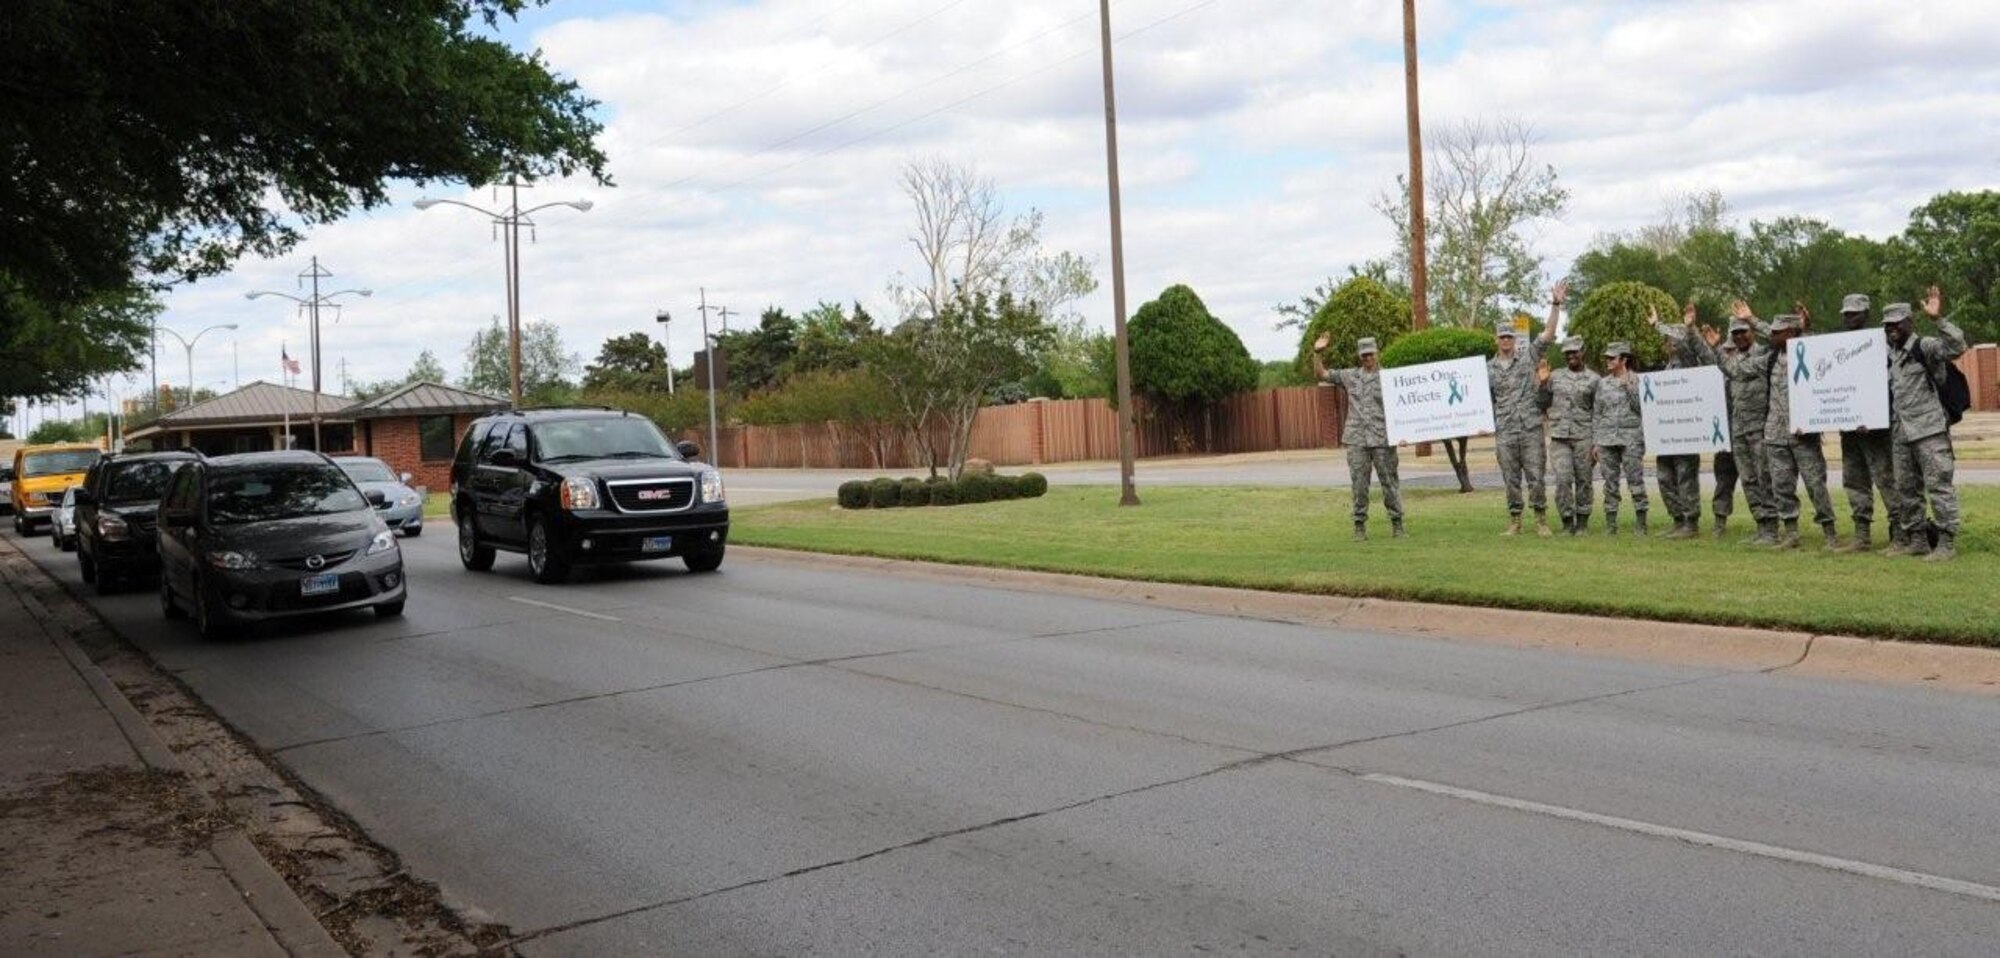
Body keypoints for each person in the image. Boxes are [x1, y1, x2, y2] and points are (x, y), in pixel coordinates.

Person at [1884, 288, 1968, 560]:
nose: (1892, 328)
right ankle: (1918, 539)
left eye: (1897, 322)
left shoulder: (1925, 346)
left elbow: (1957, 346)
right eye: (1887, 324)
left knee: (1939, 486)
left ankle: (1945, 544)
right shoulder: (1892, 355)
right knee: (1906, 489)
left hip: (1929, 430)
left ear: (1910, 322)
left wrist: (1938, 318)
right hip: (1901, 432)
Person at [1489, 281, 1563, 537]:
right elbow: (1481, 402)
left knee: (1536, 476)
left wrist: (1555, 304)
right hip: (1506, 432)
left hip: (1530, 428)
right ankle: (1515, 521)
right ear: (1496, 340)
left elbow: (1549, 333)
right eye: (1502, 337)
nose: (1506, 340)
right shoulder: (1488, 370)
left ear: (1515, 339)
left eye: (1510, 336)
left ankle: (1541, 520)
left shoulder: (1529, 357)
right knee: (1511, 479)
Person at [1314, 333, 1403, 540]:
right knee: (1359, 484)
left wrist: (1405, 432)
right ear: (1359, 356)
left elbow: (1404, 406)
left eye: (1370, 354)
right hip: (1357, 439)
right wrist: (1317, 353)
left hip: (1383, 438)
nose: (1367, 359)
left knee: (1389, 483)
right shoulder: (1350, 376)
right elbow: (1322, 374)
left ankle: (1397, 523)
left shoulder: (1391, 378)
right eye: (1364, 356)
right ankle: (1359, 526)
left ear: (1377, 354)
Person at [1763, 312, 1840, 549]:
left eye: (1778, 332)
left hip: (1803, 434)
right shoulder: (1771, 358)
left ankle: (1829, 533)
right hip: (1776, 433)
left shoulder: (1811, 352)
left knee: (1816, 485)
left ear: (1791, 333)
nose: (1772, 335)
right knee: (1781, 486)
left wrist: (1805, 328)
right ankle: (1791, 533)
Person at [1831, 293, 1898, 552]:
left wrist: (1874, 414)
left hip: (1877, 428)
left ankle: (1901, 532)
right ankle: (1862, 535)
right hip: (1849, 429)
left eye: (1855, 313)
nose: (1850, 317)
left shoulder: (1882, 342)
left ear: (1867, 314)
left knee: (1887, 479)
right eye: (1846, 313)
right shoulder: (1835, 345)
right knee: (1854, 479)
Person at [1706, 305, 1777, 544]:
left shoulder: (1765, 353)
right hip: (1738, 429)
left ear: (1753, 332)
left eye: (1743, 331)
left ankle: (1772, 528)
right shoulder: (1731, 358)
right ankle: (1761, 525)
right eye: (1735, 333)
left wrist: (1753, 319)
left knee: (1764, 477)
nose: (1739, 336)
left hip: (1760, 428)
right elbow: (1727, 367)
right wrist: (1716, 347)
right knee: (1748, 479)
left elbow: (1778, 337)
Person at [1651, 300, 1719, 539]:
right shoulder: (1668, 367)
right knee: (1664, 477)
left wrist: (1686, 329)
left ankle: (1691, 522)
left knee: (1685, 476)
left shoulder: (1691, 363)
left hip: (1687, 432)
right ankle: (1677, 519)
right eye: (1667, 339)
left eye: (1673, 339)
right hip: (1667, 433)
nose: (1669, 342)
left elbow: (1706, 355)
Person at [1540, 334, 1598, 535]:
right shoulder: (1554, 376)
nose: (1571, 355)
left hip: (1584, 437)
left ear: (1583, 352)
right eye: (1567, 353)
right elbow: (1541, 403)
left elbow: (1598, 413)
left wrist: (1596, 443)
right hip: (1559, 437)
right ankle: (1566, 521)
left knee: (1584, 480)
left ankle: (1582, 522)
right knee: (1563, 479)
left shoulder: (1594, 379)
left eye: (1574, 351)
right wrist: (1541, 383)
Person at [1591, 341, 1648, 535]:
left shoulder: (1637, 380)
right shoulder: (1602, 383)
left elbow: (1642, 408)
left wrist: (1629, 387)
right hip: (1607, 440)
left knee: (1635, 480)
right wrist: (1596, 442)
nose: (1608, 361)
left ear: (1623, 360)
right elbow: (1597, 413)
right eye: (1607, 358)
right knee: (1610, 483)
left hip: (1631, 438)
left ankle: (1641, 522)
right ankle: (1611, 524)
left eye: (1612, 358)